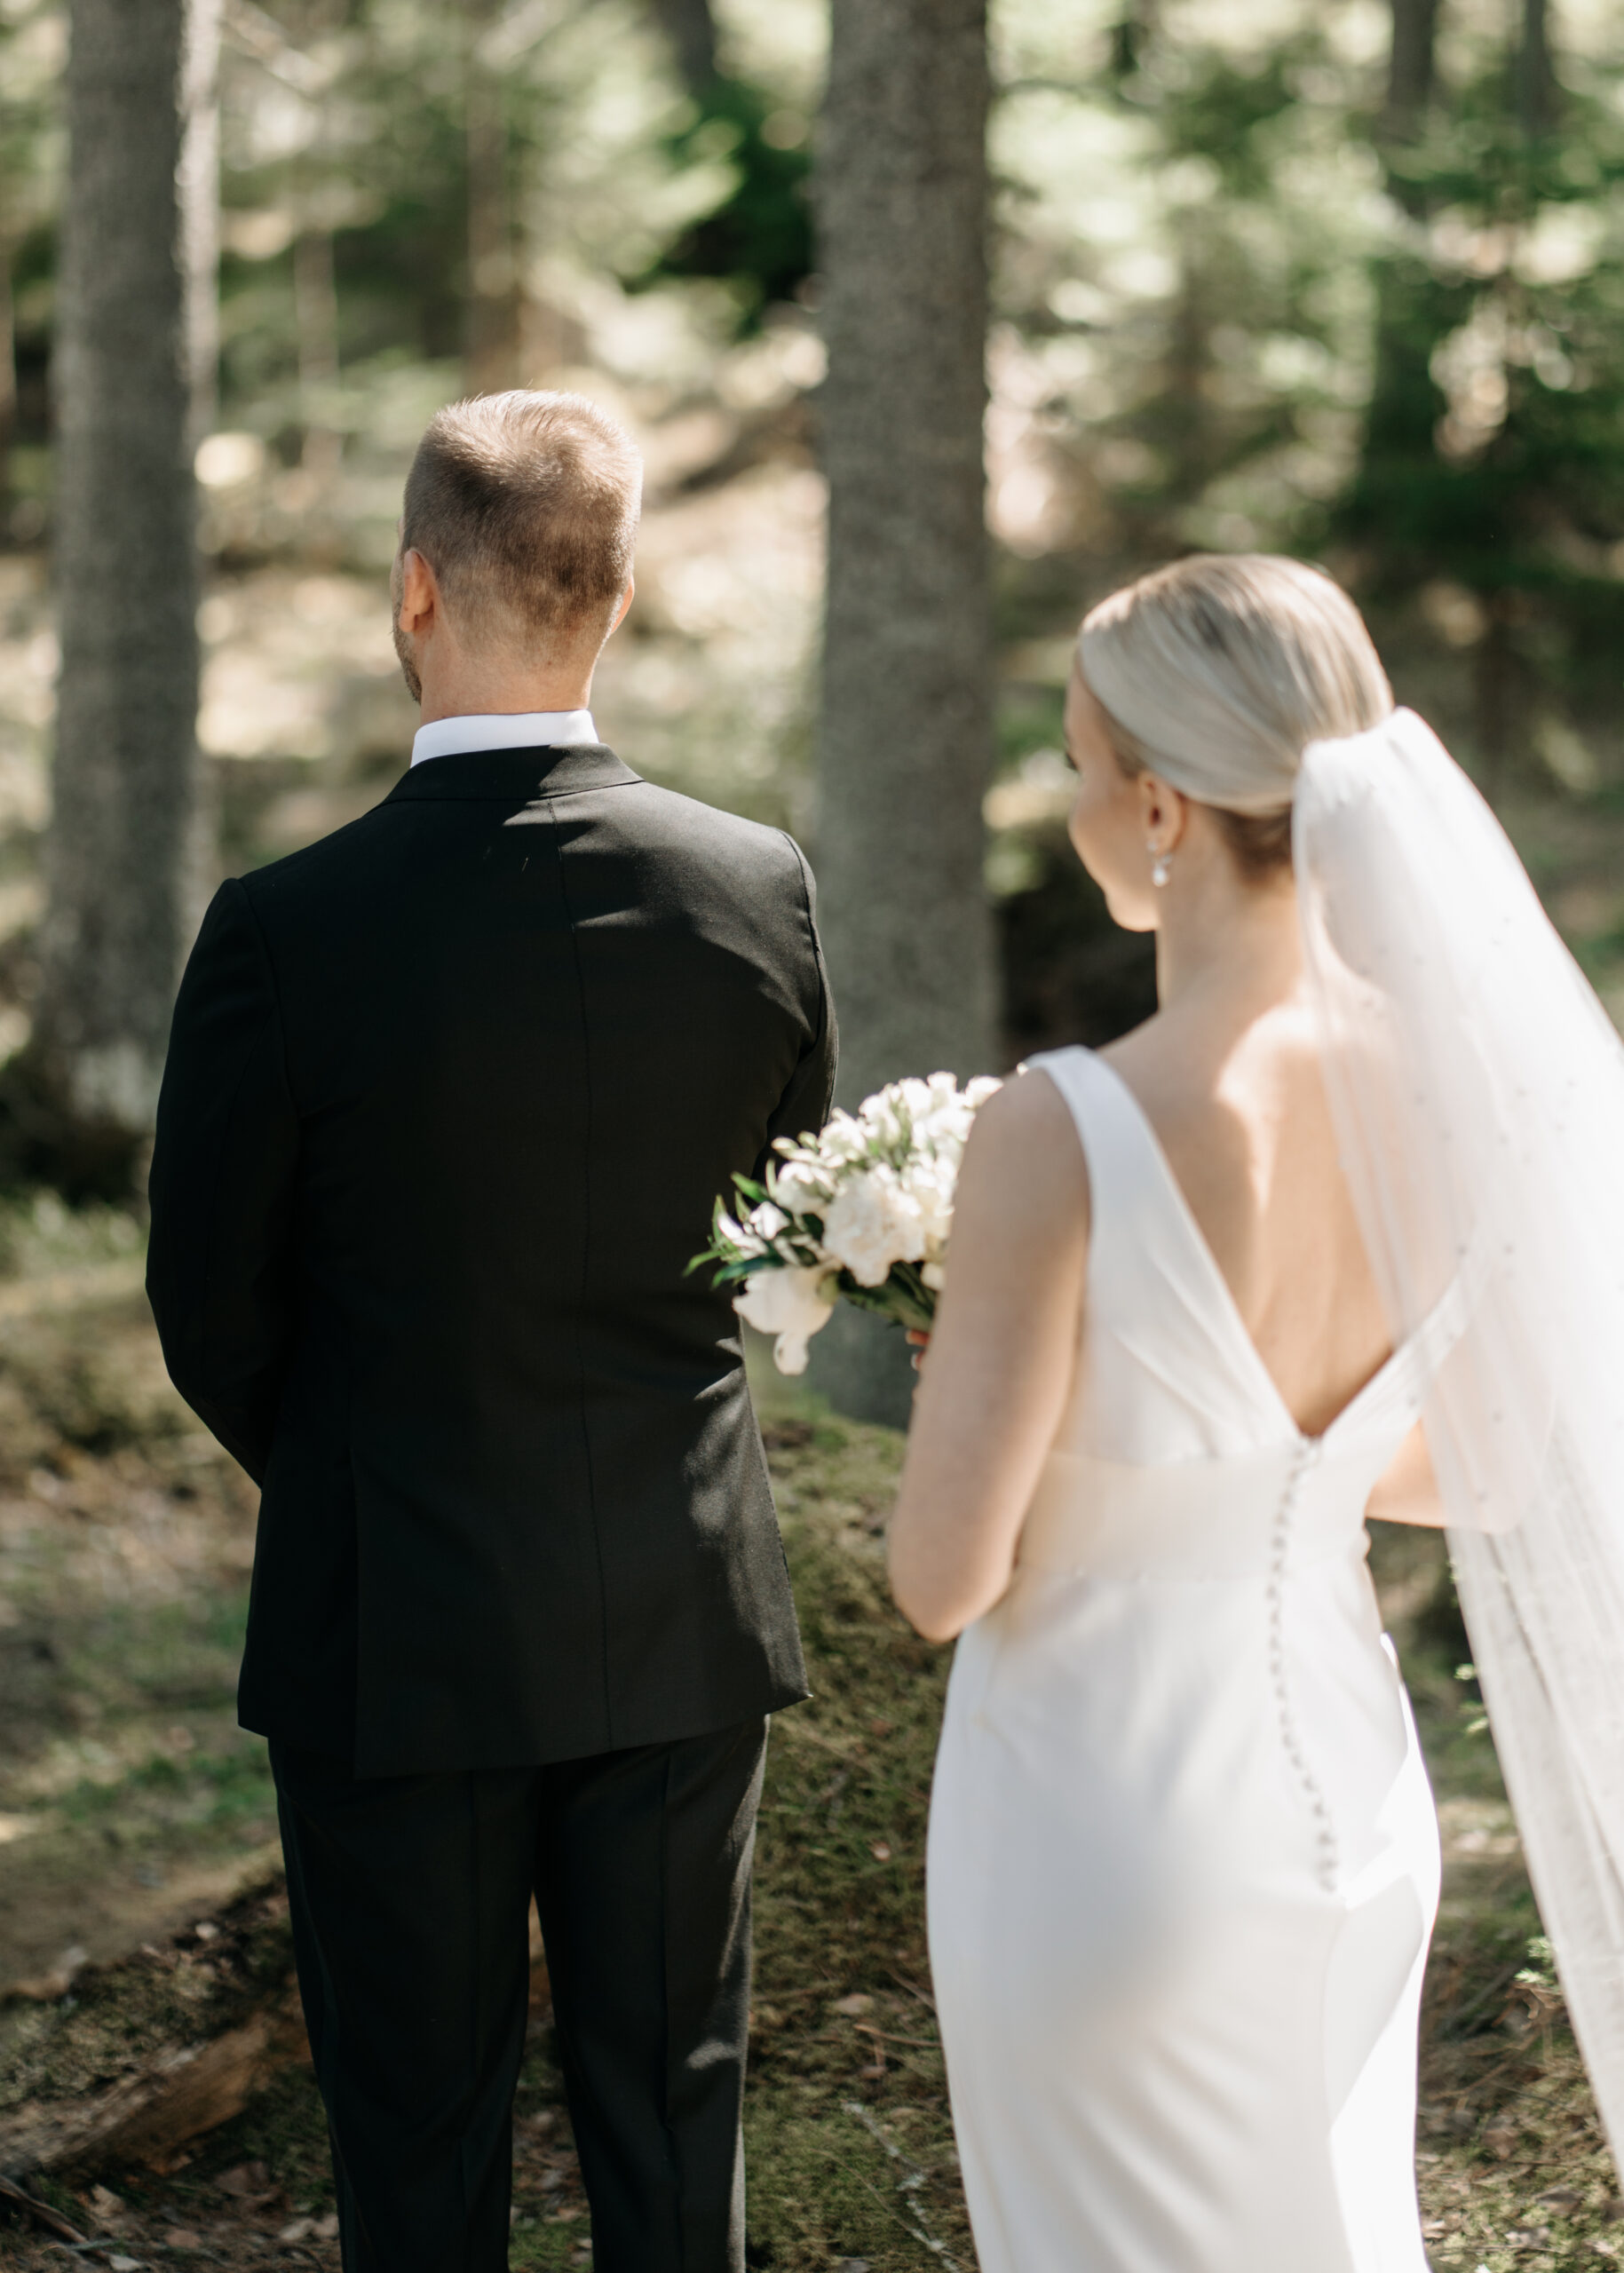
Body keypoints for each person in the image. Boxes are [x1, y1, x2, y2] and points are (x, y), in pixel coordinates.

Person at [146, 389, 836, 2273]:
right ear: (615, 596)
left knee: (417, 2155)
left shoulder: (285, 929)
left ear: (414, 590)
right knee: (674, 2140)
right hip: (675, 1603)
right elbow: (778, 1230)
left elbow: (209, 1306)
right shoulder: (756, 889)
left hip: (399, 1620)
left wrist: (371, 1466)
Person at [889, 552, 1624, 2269]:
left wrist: (1009, 1410)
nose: (1075, 799)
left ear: (1159, 806)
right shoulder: (1451, 1090)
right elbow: (1487, 1473)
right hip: (1351, 1798)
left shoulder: (1063, 1127)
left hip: (1105, 1811)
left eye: (1078, 764)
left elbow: (940, 1577)